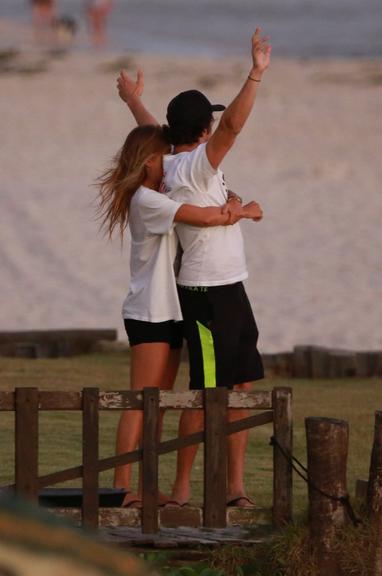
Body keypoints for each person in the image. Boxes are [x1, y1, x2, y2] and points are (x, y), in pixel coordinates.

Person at [117, 28, 271, 507]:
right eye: (211, 125)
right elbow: (233, 129)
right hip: (204, 292)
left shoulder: (168, 161)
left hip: (233, 286)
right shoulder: (195, 166)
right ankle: (183, 491)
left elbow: (154, 131)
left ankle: (235, 488)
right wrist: (255, 75)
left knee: (241, 384)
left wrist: (132, 102)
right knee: (204, 394)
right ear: (204, 131)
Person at [97, 125, 263, 507]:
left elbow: (181, 147)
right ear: (149, 161)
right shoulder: (147, 200)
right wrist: (243, 211)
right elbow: (203, 217)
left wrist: (134, 104)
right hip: (149, 312)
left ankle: (146, 485)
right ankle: (122, 487)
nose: (170, 164)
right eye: (163, 158)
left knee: (156, 403)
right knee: (141, 401)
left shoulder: (159, 191)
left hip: (171, 311)